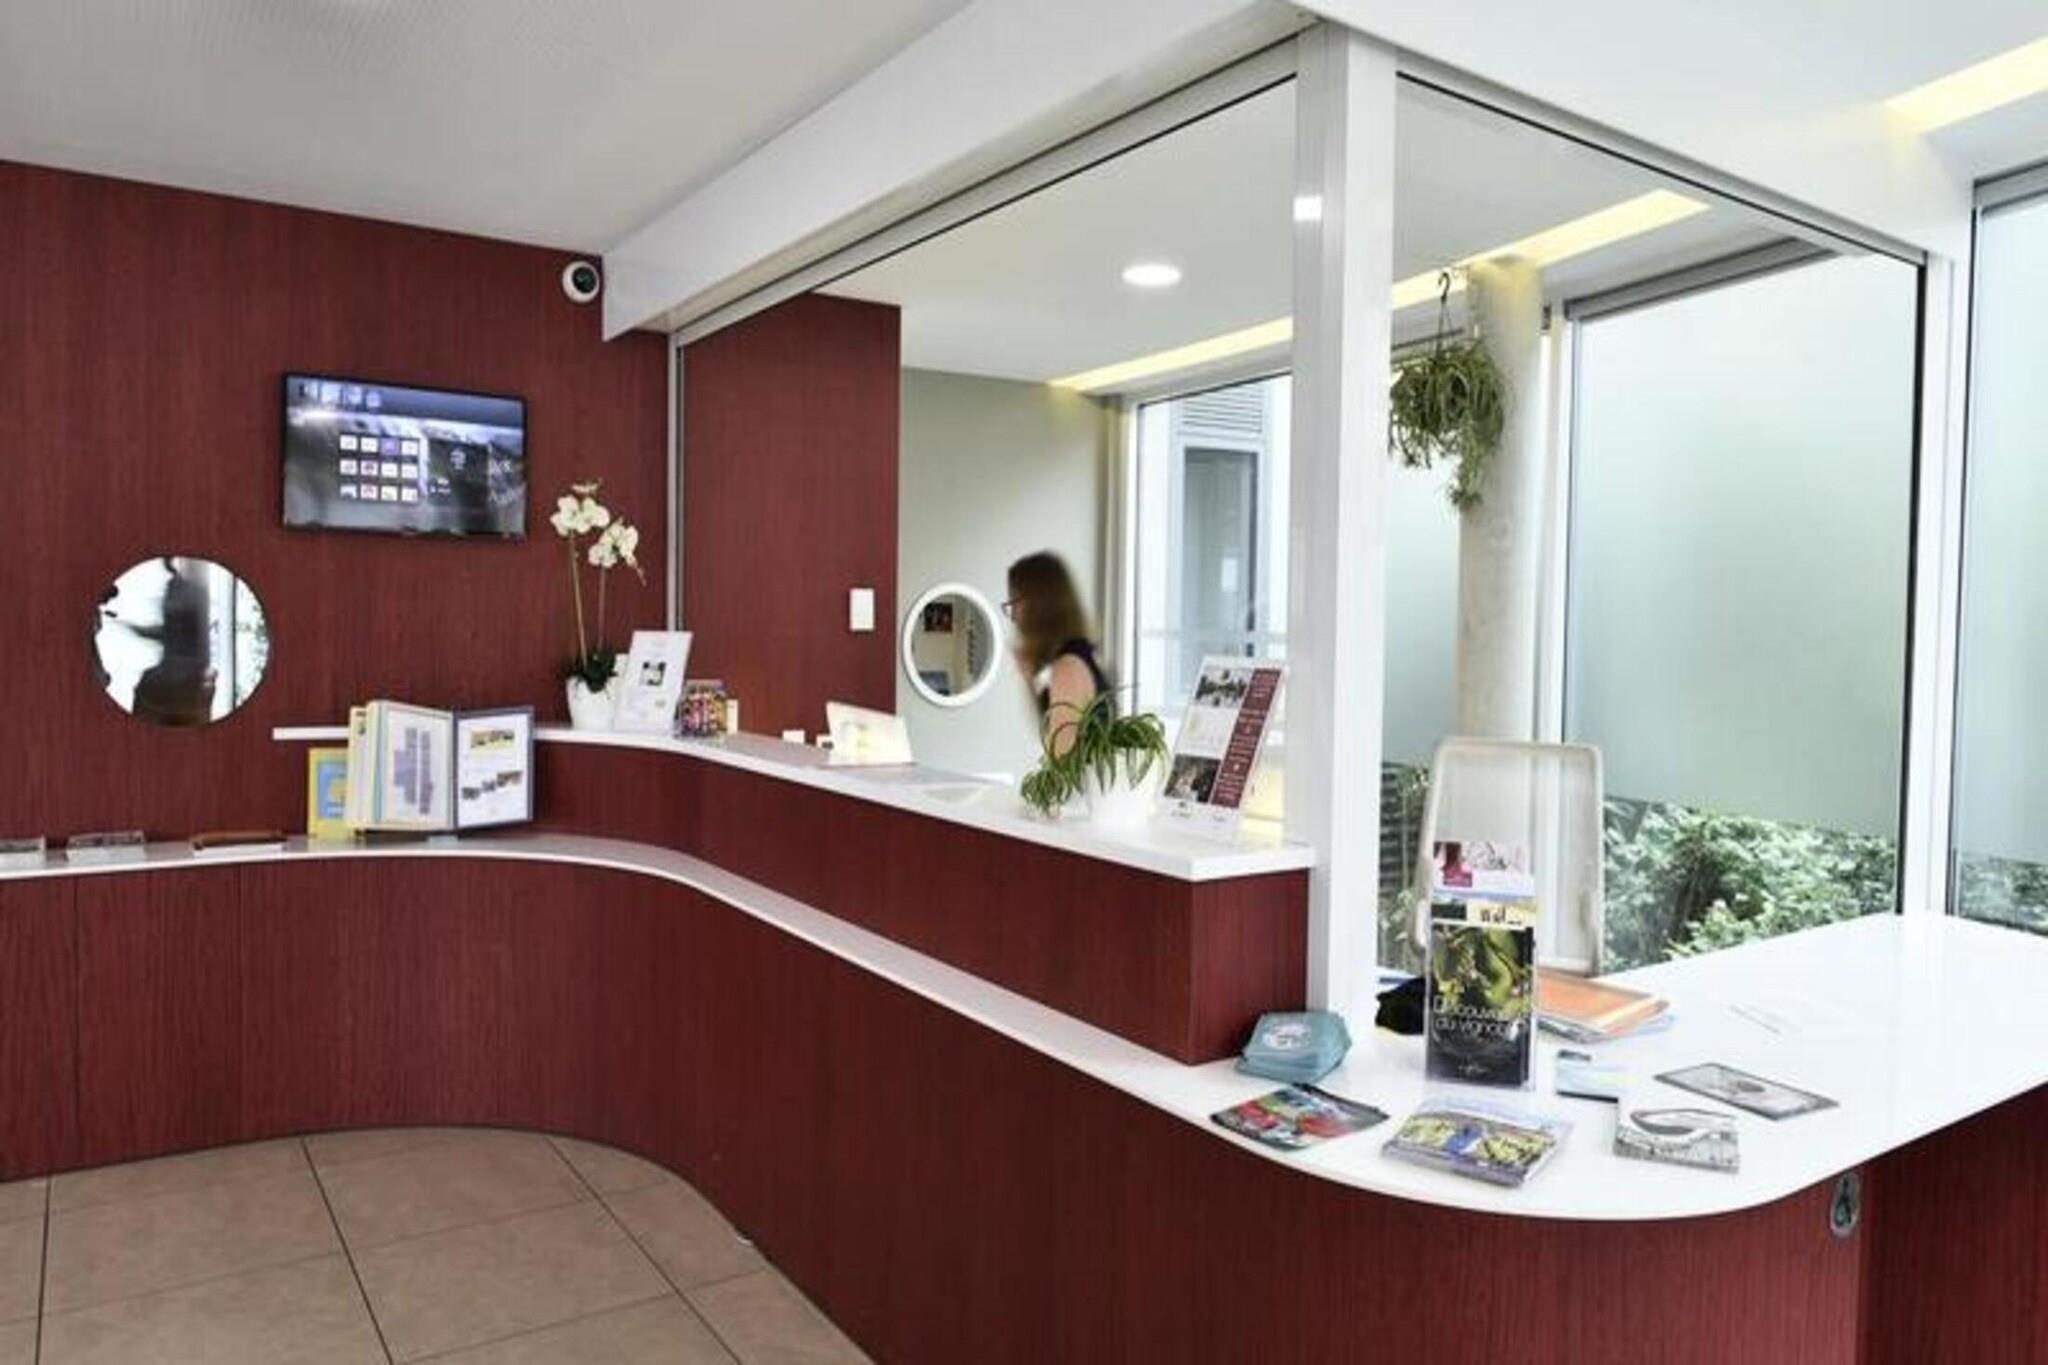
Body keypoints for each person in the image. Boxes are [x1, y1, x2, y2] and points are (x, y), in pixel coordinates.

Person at [1005, 551, 1110, 756]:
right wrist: (1029, 678)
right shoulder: (1080, 653)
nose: (1014, 615)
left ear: (1038, 605)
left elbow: (1061, 756)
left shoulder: (1067, 668)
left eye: (1016, 603)